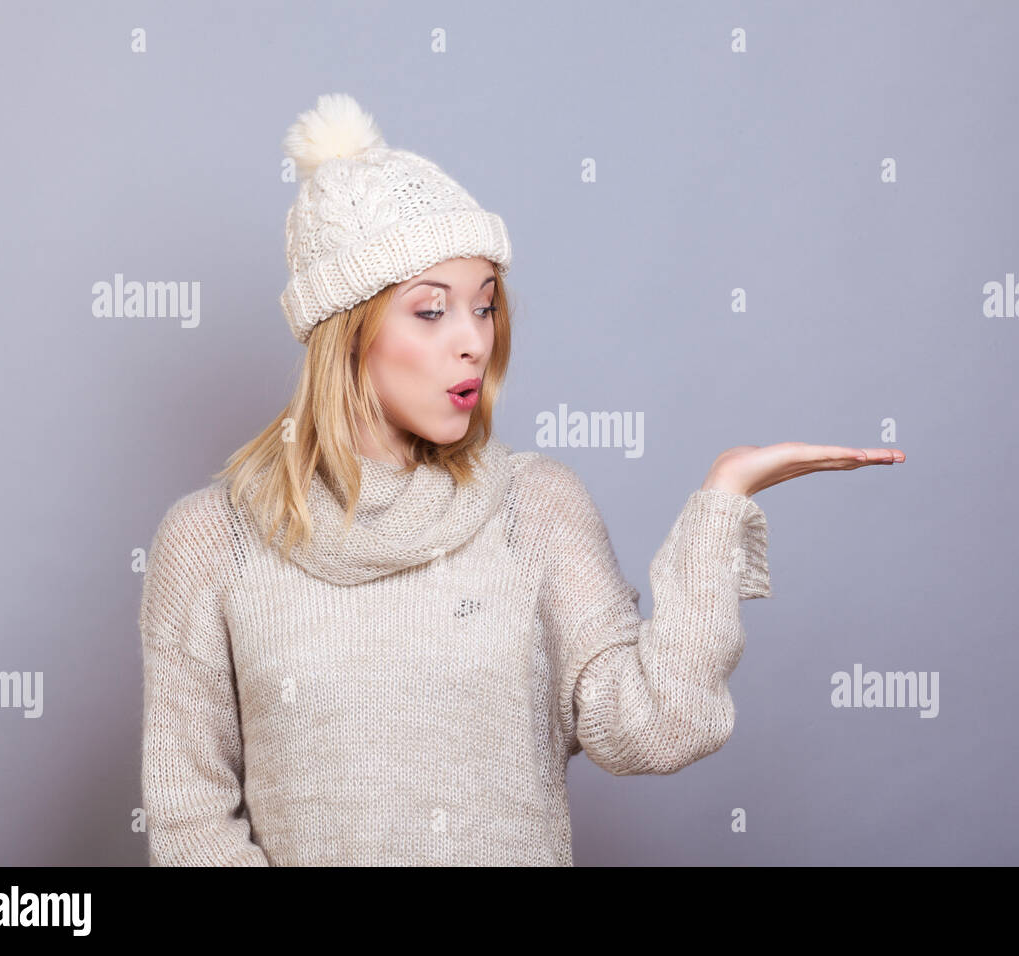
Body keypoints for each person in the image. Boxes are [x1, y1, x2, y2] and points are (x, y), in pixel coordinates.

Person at [137, 92, 905, 867]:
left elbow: (654, 725)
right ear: (348, 333)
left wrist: (720, 504)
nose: (474, 341)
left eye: (486, 306)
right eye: (431, 312)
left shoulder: (535, 506)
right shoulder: (212, 540)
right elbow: (191, 822)